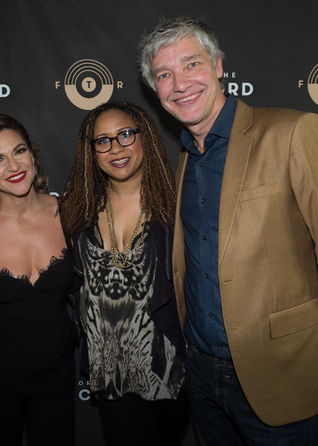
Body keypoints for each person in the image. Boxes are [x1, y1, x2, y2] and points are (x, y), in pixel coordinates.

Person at [138, 16, 318, 445]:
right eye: (164, 75)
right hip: (203, 379)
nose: (179, 84)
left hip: (284, 377)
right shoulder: (185, 159)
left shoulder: (293, 132)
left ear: (218, 66)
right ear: (156, 90)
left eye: (191, 64)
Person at [58, 101, 191, 446]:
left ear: (144, 137)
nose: (115, 147)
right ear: (92, 152)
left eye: (125, 135)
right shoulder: (76, 214)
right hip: (109, 375)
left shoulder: (177, 207)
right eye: (103, 141)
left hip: (171, 371)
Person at [0, 113, 76, 446]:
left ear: (33, 155)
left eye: (19, 151)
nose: (13, 166)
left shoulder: (70, 213)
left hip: (56, 371)